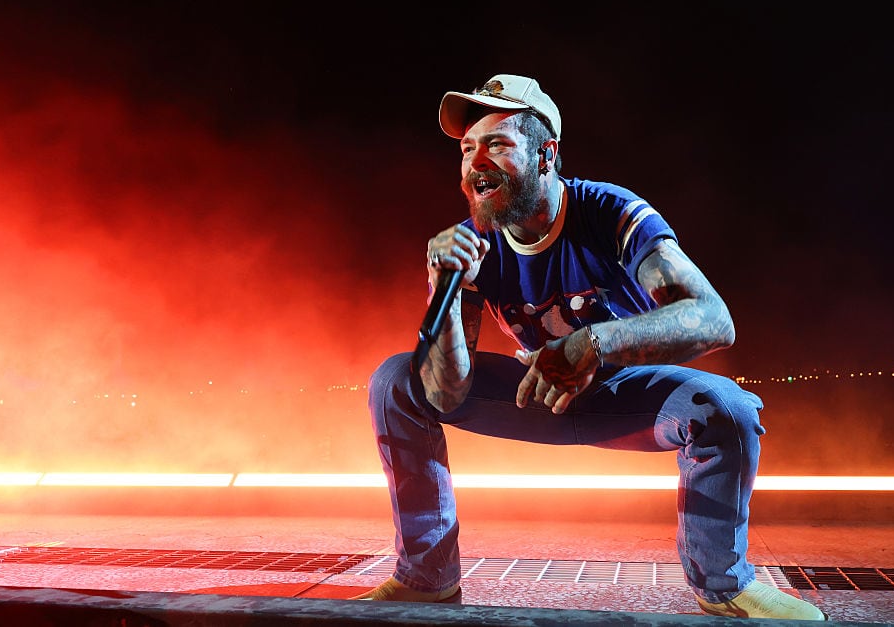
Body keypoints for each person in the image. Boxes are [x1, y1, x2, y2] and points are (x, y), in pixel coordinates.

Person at [353, 74, 826, 620]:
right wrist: (445, 286)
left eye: (498, 145)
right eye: (466, 149)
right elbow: (444, 391)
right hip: (535, 392)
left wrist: (595, 343)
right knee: (396, 380)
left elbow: (715, 320)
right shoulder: (473, 244)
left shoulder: (611, 213)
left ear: (546, 154)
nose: (475, 162)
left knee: (725, 408)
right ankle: (425, 579)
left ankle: (723, 586)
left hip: (623, 394)